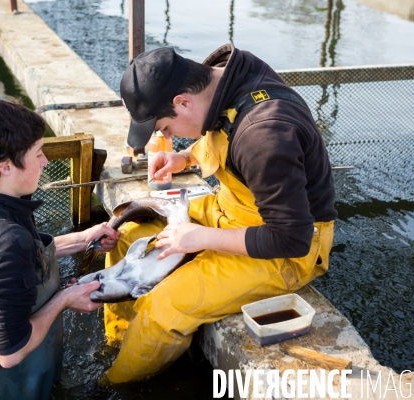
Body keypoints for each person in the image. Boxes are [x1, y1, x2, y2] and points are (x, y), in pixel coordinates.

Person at [102, 44, 337, 383]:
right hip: (230, 208)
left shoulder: (265, 136)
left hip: (282, 246)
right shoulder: (222, 75)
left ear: (183, 101)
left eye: (165, 128)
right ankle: (121, 342)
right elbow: (219, 125)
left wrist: (199, 238)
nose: (164, 136)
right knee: (128, 237)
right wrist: (183, 158)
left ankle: (115, 383)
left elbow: (292, 239)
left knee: (165, 306)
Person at [0, 98, 118, 400]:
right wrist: (64, 299)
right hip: (17, 387)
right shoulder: (6, 242)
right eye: (37, 153)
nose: (45, 161)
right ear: (5, 166)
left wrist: (83, 238)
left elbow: (15, 262)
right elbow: (10, 352)